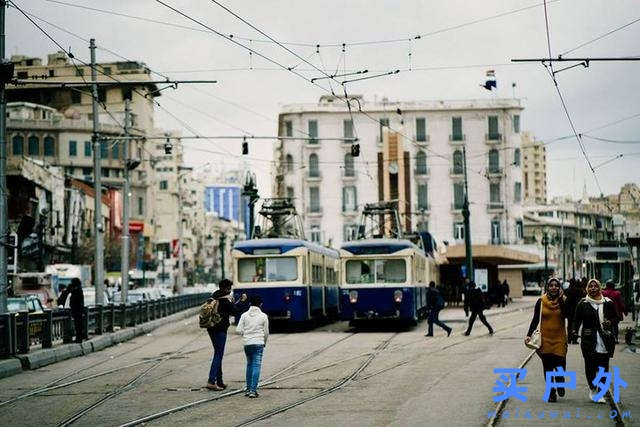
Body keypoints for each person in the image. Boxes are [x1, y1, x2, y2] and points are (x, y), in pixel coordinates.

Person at [572, 279, 618, 403]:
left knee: (603, 367)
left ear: (599, 288)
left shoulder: (608, 303)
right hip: (588, 340)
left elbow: (616, 317)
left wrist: (610, 322)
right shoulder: (583, 303)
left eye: (595, 286)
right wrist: (574, 331)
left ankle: (601, 391)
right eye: (590, 286)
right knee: (590, 366)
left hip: (605, 339)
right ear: (587, 288)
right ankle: (593, 389)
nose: (593, 288)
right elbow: (576, 320)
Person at [525, 278, 568, 402]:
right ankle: (551, 391)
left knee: (560, 366)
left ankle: (560, 383)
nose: (553, 287)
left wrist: (561, 299)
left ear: (559, 288)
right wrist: (529, 334)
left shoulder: (564, 300)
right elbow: (535, 320)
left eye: (556, 285)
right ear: (547, 287)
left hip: (560, 338)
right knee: (548, 367)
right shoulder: (541, 301)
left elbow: (567, 314)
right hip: (545, 339)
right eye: (551, 285)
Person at [206, 279, 247, 391]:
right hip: (220, 329)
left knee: (217, 353)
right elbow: (235, 311)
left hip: (211, 327)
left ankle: (219, 381)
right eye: (229, 288)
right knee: (218, 354)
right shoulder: (225, 299)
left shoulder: (214, 296)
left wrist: (235, 302)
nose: (230, 291)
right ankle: (211, 380)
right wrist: (242, 301)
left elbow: (230, 308)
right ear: (227, 288)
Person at [236, 295, 269, 398]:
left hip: (247, 343)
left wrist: (245, 335)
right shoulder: (263, 316)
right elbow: (266, 332)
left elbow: (238, 330)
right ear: (261, 304)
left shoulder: (244, 315)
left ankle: (248, 388)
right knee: (256, 365)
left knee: (249, 365)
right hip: (259, 342)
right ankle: (253, 391)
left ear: (250, 304)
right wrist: (264, 342)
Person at [58, 278, 85, 343]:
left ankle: (79, 338)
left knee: (78, 325)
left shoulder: (78, 290)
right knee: (78, 325)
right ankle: (79, 338)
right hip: (78, 310)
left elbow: (72, 296)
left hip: (77, 310)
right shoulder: (79, 289)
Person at [564, 279, 583, 344]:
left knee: (569, 325)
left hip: (569, 311)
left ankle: (569, 339)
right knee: (576, 325)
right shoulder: (579, 291)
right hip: (577, 310)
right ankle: (574, 339)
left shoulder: (567, 291)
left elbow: (565, 301)